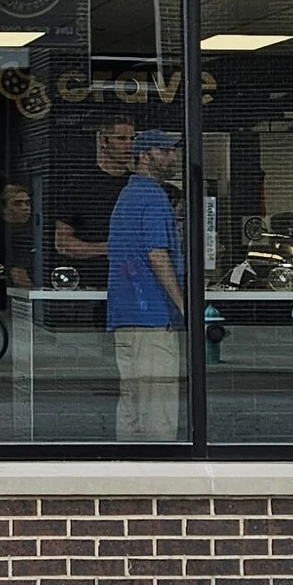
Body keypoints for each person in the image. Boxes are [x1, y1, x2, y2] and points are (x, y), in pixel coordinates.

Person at [106, 128, 185, 440]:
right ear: (144, 155)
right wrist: (182, 303)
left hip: (124, 316)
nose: (172, 157)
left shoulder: (125, 197)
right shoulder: (154, 197)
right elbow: (157, 255)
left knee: (131, 403)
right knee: (159, 407)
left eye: (172, 151)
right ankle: (161, 477)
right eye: (164, 151)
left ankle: (127, 472)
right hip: (153, 317)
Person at [51, 113, 135, 281]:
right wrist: (106, 249)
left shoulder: (137, 186)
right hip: (90, 282)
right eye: (121, 138)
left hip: (133, 281)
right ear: (103, 142)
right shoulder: (81, 186)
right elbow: (62, 243)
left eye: (132, 139)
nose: (129, 145)